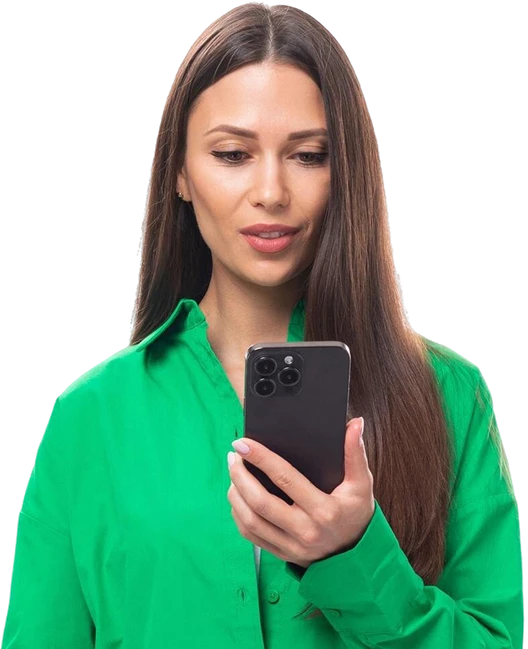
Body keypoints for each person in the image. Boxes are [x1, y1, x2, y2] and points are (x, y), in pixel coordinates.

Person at [2, 3, 523, 648]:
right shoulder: (91, 417)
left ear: (345, 173)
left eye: (308, 155)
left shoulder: (447, 397)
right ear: (180, 173)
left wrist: (354, 556)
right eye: (232, 154)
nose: (271, 191)